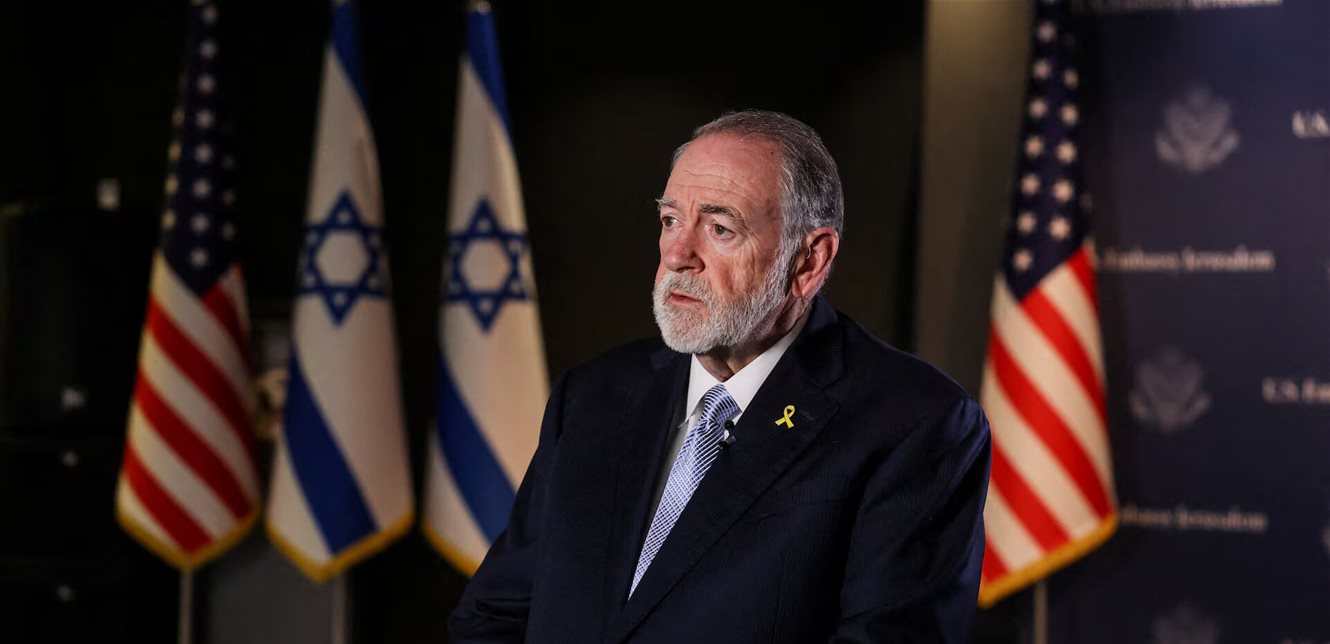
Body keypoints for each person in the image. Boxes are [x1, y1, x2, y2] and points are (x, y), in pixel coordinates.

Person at [449, 110, 991, 643]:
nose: (678, 254)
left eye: (720, 228)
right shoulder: (593, 396)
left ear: (809, 261)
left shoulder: (915, 424)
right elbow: (493, 617)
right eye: (670, 220)